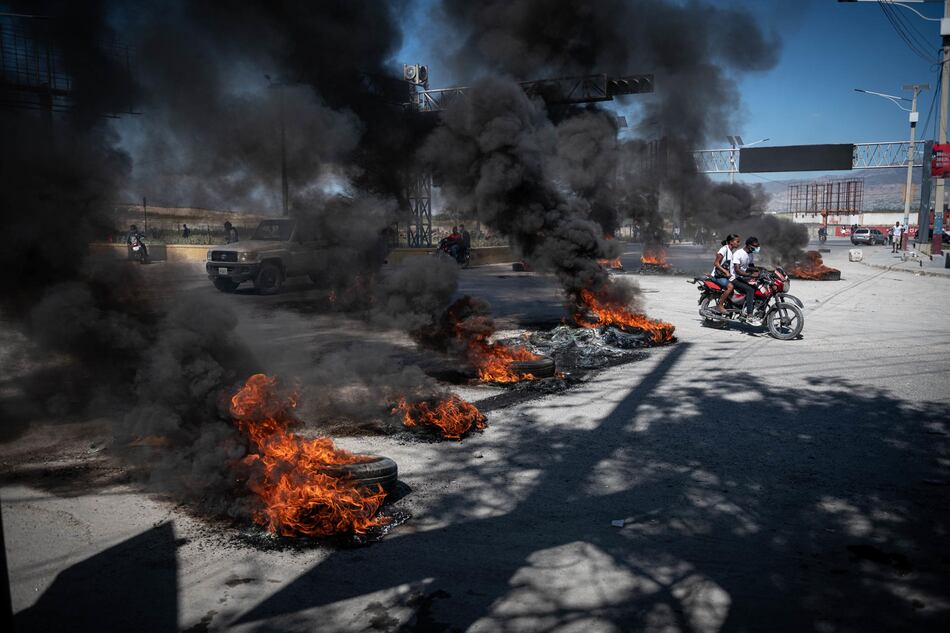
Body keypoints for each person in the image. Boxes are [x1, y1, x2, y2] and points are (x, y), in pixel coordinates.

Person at [732, 236, 761, 321]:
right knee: (750, 290)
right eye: (755, 246)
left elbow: (751, 266)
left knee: (757, 287)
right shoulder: (738, 253)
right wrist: (751, 275)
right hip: (734, 278)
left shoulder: (750, 254)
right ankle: (749, 314)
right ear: (748, 245)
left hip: (742, 277)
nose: (756, 248)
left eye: (757, 246)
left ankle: (750, 305)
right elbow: (737, 270)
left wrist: (761, 270)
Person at [711, 233, 740, 314]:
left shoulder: (731, 252)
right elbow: (716, 263)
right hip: (717, 276)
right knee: (730, 287)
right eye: (737, 241)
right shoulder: (724, 249)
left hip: (724, 276)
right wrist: (726, 272)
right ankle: (719, 305)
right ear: (731, 242)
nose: (738, 243)